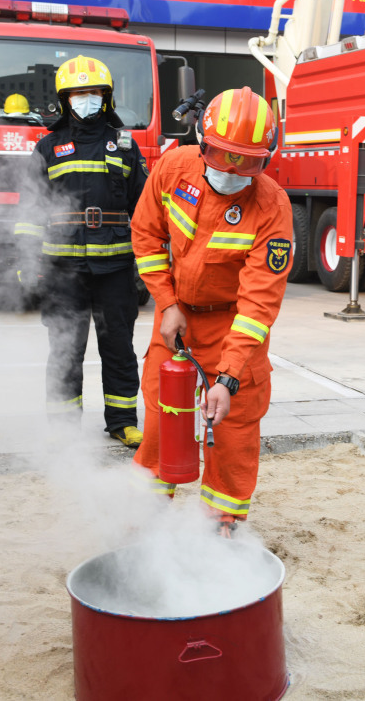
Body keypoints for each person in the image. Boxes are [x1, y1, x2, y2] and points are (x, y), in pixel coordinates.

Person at [130, 87, 292, 536]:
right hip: (177, 318)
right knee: (164, 420)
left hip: (232, 324)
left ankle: (221, 526)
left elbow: (259, 301)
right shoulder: (174, 167)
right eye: (222, 155)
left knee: (234, 431)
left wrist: (228, 376)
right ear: (201, 141)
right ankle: (146, 519)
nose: (233, 170)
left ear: (267, 157)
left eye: (249, 161)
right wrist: (166, 303)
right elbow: (145, 235)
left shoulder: (272, 207)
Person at [13, 56, 147, 448]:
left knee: (119, 348)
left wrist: (152, 263)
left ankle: (122, 422)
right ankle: (63, 426)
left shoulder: (124, 145)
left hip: (116, 268)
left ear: (106, 98)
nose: (85, 99)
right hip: (62, 270)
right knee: (65, 350)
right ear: (64, 99)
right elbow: (29, 210)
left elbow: (145, 209)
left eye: (94, 93)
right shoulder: (48, 146)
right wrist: (26, 258)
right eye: (78, 93)